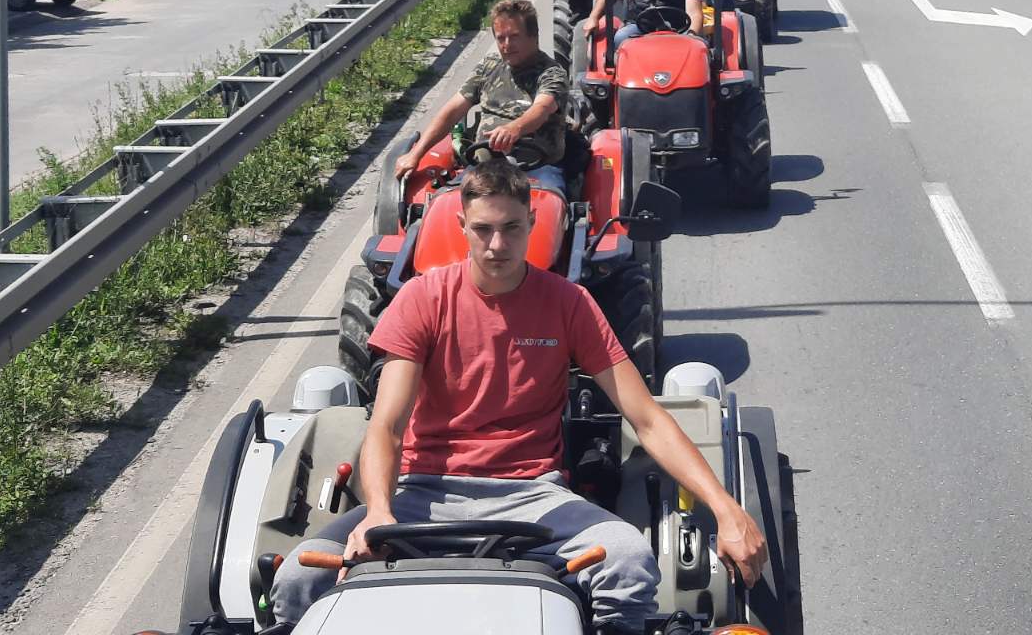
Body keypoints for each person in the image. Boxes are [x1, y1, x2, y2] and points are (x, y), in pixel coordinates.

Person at [270, 159, 767, 633]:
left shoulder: (570, 303)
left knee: (630, 562)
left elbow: (648, 418)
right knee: (297, 577)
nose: (496, 244)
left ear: (532, 222)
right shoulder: (422, 298)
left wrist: (726, 509)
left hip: (533, 495)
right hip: (423, 492)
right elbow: (387, 427)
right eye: (483, 229)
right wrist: (379, 510)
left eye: (511, 228)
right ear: (461, 224)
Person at [394, 0, 568, 194]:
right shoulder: (489, 66)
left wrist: (514, 128)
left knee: (549, 207)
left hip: (537, 168)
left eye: (514, 36)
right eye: (501, 38)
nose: (507, 45)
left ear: (534, 35)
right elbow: (452, 111)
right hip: (483, 167)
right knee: (443, 203)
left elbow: (542, 109)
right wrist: (415, 154)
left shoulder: (552, 73)